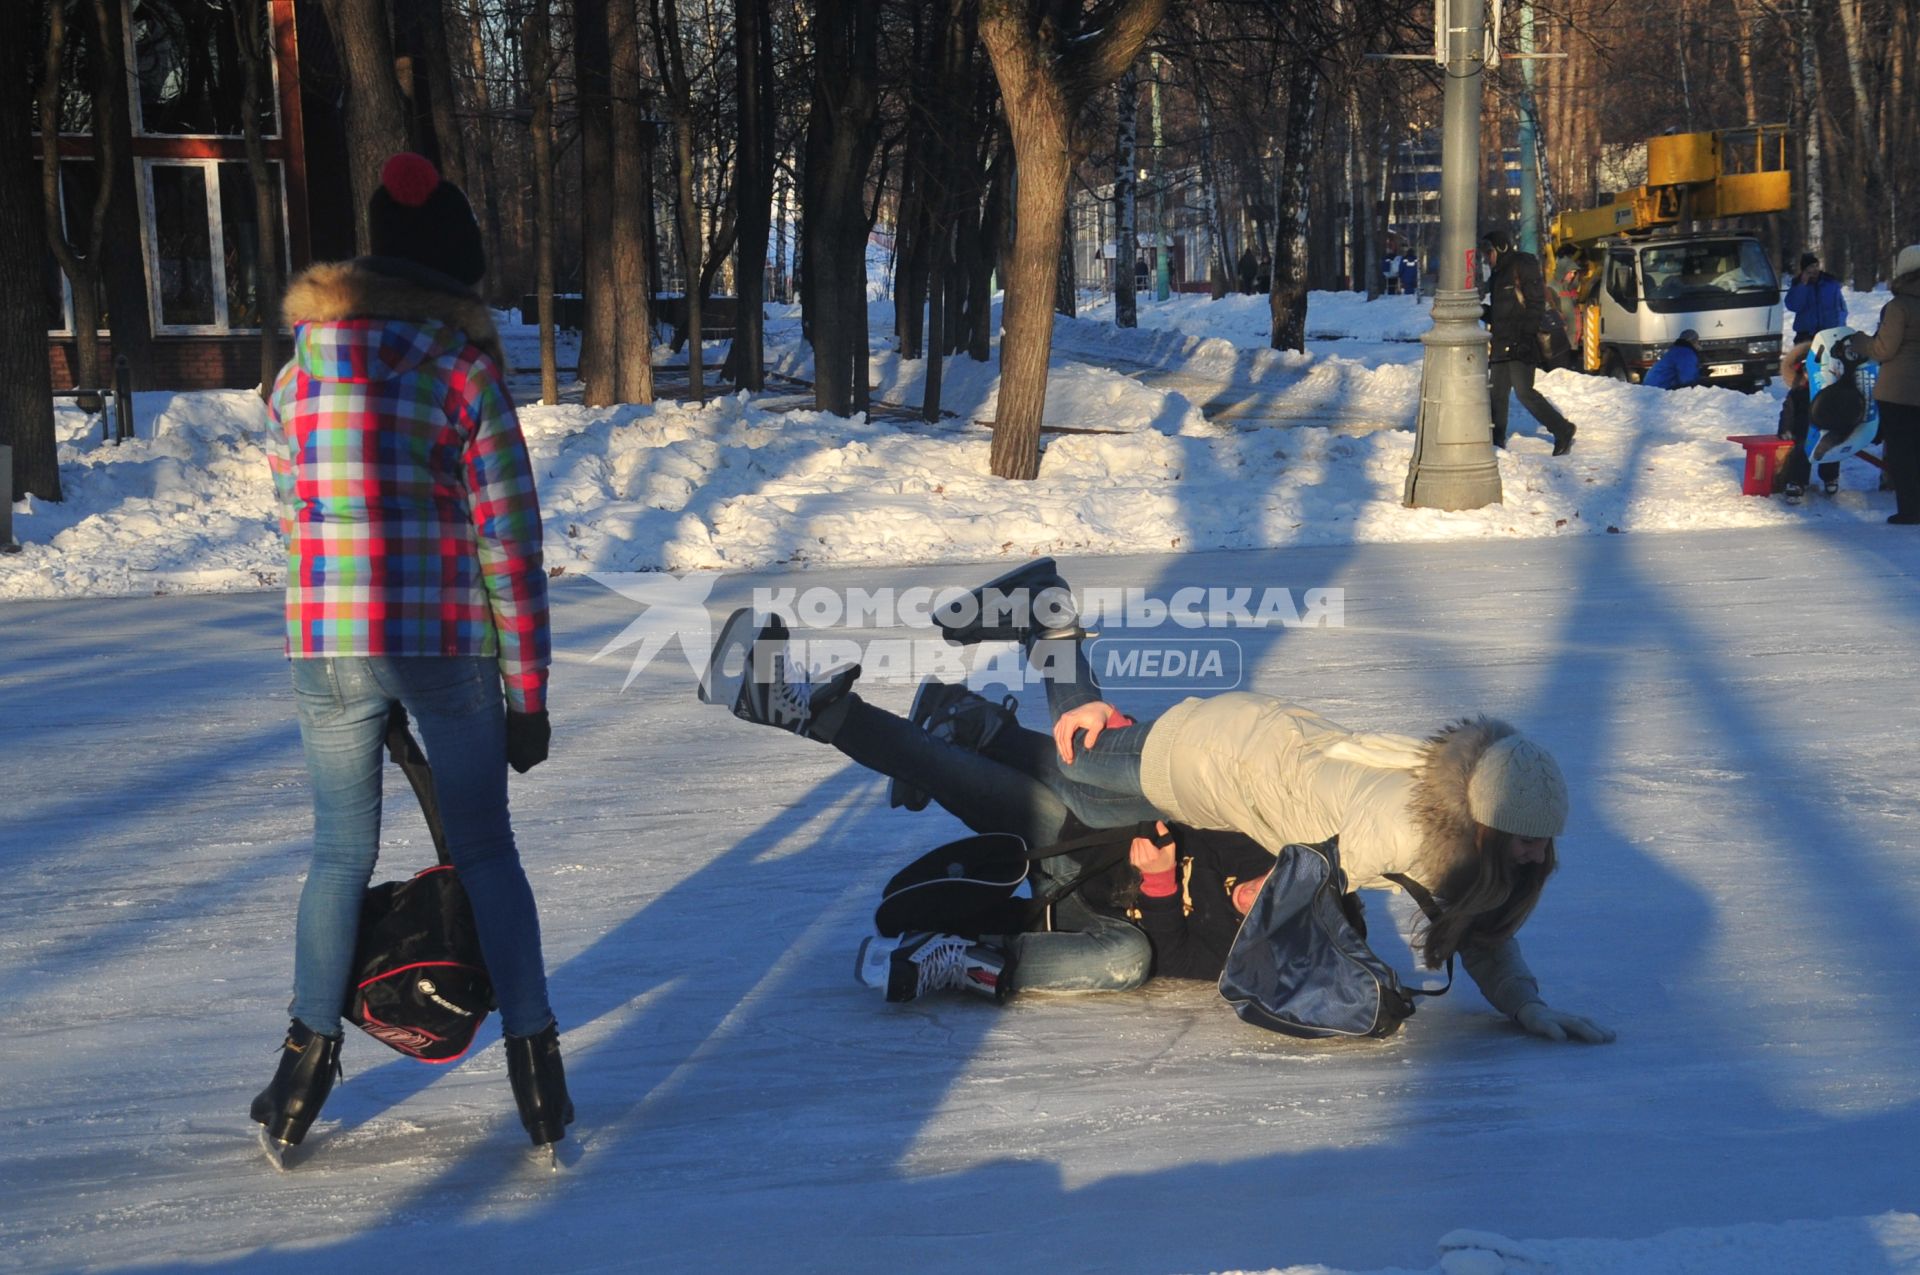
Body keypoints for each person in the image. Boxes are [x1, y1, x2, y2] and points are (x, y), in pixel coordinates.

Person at [710, 560, 1615, 1044]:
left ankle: (966, 717)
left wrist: (1524, 1002)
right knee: (1080, 762)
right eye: (1524, 840)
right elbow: (1302, 898)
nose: (1535, 855)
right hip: (1215, 767)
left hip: (1250, 755)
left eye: (1541, 844)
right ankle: (1038, 627)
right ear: (1485, 822)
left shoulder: (1451, 824)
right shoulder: (1394, 827)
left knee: (1059, 779)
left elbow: (1481, 920)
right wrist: (1342, 973)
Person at [256, 153, 572, 1157]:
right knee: (484, 851)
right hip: (442, 642)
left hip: (329, 645)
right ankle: (537, 1075)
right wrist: (527, 695)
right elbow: (506, 546)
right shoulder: (460, 372)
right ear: (453, 273)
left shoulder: (298, 372)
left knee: (336, 856)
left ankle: (303, 1072)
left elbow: (293, 517)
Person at [1481, 229, 1578, 455]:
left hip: (1520, 342)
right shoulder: (1496, 275)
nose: (1487, 258)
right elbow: (1500, 312)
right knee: (1497, 393)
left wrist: (1525, 336)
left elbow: (1535, 303)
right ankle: (1496, 441)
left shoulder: (1521, 266)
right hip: (1500, 342)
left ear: (1501, 248)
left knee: (1525, 392)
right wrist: (1482, 311)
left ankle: (1562, 429)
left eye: (1489, 252)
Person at [1845, 243, 1920, 524]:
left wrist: (1858, 340)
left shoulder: (1899, 306)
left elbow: (1883, 350)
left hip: (1899, 391)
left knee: (1902, 451)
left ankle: (1911, 510)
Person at [1776, 339, 1840, 502]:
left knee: (1830, 449)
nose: (1809, 375)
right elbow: (1788, 412)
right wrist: (1785, 429)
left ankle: (1830, 477)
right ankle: (1797, 482)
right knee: (1801, 451)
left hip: (1827, 428)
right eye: (1805, 371)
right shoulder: (1798, 392)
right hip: (1804, 429)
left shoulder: (1829, 390)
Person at [1785, 252, 1847, 343]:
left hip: (1829, 334)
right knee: (1808, 357)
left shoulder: (1830, 283)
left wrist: (1840, 328)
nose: (1814, 270)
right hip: (1806, 336)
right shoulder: (1798, 285)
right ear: (1804, 270)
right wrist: (1802, 285)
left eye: (1816, 266)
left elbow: (1841, 308)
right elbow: (1794, 306)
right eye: (1810, 267)